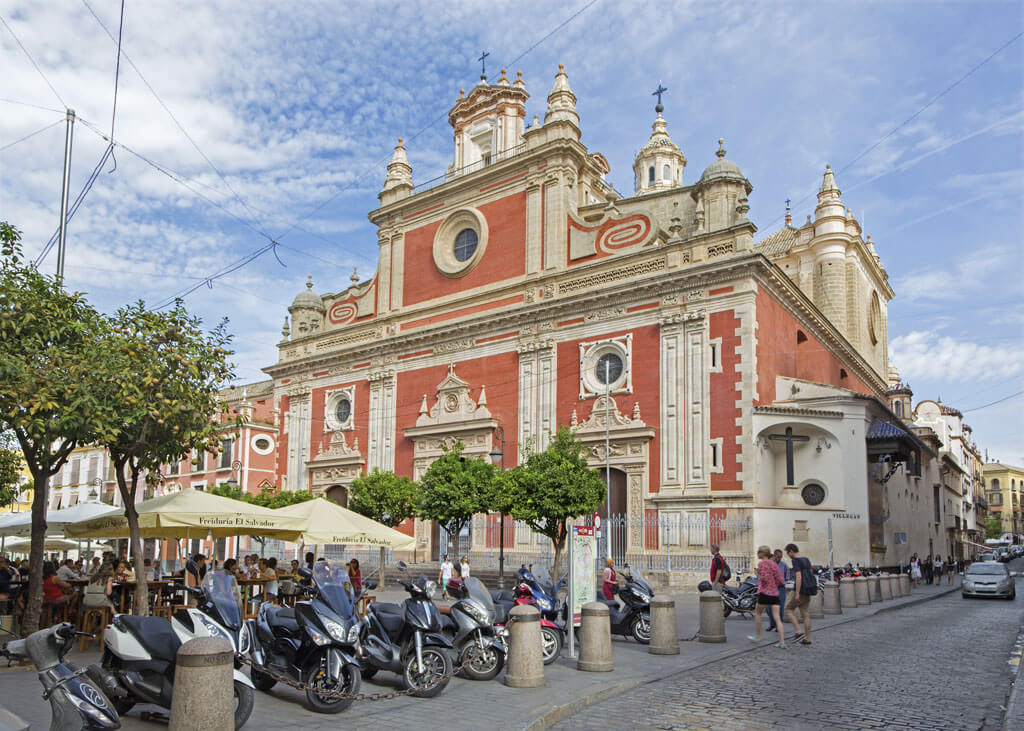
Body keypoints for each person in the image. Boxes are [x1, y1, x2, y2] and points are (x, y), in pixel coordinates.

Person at [747, 545, 785, 648]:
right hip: (774, 593)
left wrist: (757, 574)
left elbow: (765, 578)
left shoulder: (762, 564)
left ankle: (758, 636)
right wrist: (774, 585)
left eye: (758, 552)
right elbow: (780, 579)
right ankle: (782, 642)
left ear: (763, 553)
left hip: (765, 592)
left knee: (758, 613)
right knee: (777, 618)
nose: (757, 554)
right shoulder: (774, 564)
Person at [784, 543, 813, 645]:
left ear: (791, 551)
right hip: (808, 589)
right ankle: (807, 639)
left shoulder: (795, 561)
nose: (788, 555)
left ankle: (798, 631)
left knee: (788, 608)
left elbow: (799, 577)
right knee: (805, 614)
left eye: (788, 553)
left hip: (800, 589)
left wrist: (797, 593)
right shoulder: (806, 559)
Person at [767, 549, 790, 633]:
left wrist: (783, 581)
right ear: (774, 555)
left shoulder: (784, 565)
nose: (779, 559)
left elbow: (787, 576)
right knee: (769, 608)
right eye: (778, 557)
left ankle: (778, 625)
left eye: (781, 557)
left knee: (780, 608)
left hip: (781, 588)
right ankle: (772, 624)